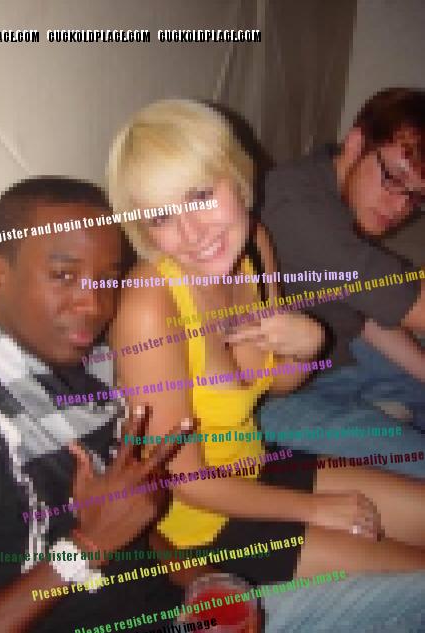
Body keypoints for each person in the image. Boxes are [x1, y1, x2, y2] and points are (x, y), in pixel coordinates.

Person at [106, 98, 425, 600]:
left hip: (255, 466)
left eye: (200, 195)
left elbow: (279, 383)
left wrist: (309, 344)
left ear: (236, 176)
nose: (192, 234)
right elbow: (186, 482)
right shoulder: (150, 305)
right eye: (161, 217)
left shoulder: (254, 243)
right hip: (202, 527)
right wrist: (316, 510)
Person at [0, 176, 187, 632]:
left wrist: (200, 579)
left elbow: (128, 525)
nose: (94, 304)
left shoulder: (91, 370)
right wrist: (85, 547)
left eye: (108, 279)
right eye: (64, 276)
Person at [260, 87, 425, 477]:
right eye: (394, 178)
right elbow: (414, 307)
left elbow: (367, 313)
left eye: (417, 197)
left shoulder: (332, 183)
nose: (400, 207)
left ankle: (390, 407)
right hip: (275, 397)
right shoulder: (300, 211)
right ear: (355, 143)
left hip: (338, 353)